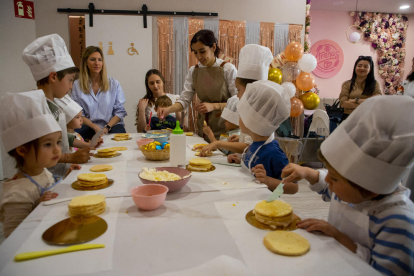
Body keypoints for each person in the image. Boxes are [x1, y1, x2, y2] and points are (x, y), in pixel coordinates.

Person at [281, 96, 414, 276]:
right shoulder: (353, 191)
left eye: (334, 178)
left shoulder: (398, 224)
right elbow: (330, 188)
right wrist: (307, 172)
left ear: (371, 189)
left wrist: (338, 236)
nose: (328, 181)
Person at [22, 34, 92, 177]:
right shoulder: (37, 108)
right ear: (53, 77)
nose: (71, 86)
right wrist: (69, 158)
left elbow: (63, 138)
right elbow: (39, 151)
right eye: (70, 80)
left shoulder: (52, 104)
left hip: (58, 173)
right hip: (42, 178)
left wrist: (71, 160)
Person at [0, 91, 62, 238]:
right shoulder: (17, 194)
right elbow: (13, 237)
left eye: (58, 142)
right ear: (22, 150)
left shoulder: (43, 171)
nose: (57, 149)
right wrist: (37, 208)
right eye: (48, 144)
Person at [157, 29, 238, 141]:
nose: (199, 56)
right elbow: (184, 100)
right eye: (195, 52)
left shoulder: (227, 69)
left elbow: (238, 102)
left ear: (213, 48)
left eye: (202, 51)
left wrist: (214, 106)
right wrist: (168, 110)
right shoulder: (194, 71)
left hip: (226, 127)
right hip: (203, 127)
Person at [237, 80, 297, 193]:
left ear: (252, 120)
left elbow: (293, 187)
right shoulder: (255, 144)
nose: (238, 118)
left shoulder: (274, 153)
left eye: (241, 115)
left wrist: (267, 180)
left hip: (266, 205)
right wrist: (240, 160)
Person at [226, 44, 274, 163]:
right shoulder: (249, 108)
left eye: (238, 90)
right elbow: (252, 140)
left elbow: (256, 146)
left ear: (250, 90)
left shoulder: (261, 110)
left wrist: (217, 144)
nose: (237, 95)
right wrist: (240, 138)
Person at [71, 46, 127, 139]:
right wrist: (94, 127)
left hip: (111, 125)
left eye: (99, 60)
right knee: (73, 137)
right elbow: (79, 113)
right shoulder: (77, 85)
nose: (97, 63)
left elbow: (120, 112)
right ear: (86, 63)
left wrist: (107, 127)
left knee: (120, 136)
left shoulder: (114, 84)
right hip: (88, 125)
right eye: (92, 59)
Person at [339, 55, 382, 121]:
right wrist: (366, 103)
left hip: (368, 118)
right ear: (355, 67)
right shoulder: (346, 84)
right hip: (348, 118)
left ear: (370, 69)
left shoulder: (375, 84)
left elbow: (376, 101)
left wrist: (354, 100)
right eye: (359, 66)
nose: (362, 68)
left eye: (366, 67)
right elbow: (343, 103)